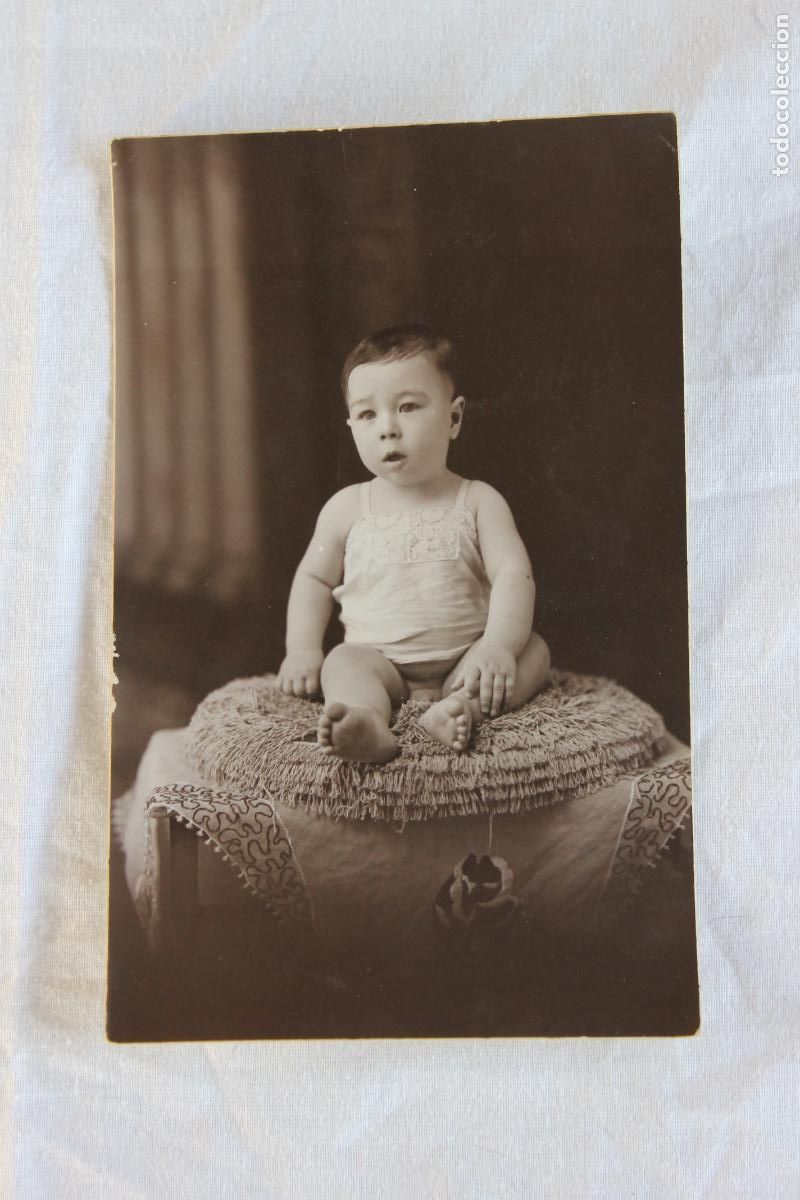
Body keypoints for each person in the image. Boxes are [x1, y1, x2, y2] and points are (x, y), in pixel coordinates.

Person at [277, 324, 550, 762]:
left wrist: (497, 646)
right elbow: (314, 579)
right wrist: (303, 649)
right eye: (367, 415)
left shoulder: (478, 501)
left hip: (466, 659)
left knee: (533, 652)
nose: (388, 429)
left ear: (453, 418)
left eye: (407, 407)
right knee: (341, 663)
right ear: (351, 426)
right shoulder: (346, 508)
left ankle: (459, 709)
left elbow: (514, 574)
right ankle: (367, 723)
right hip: (378, 662)